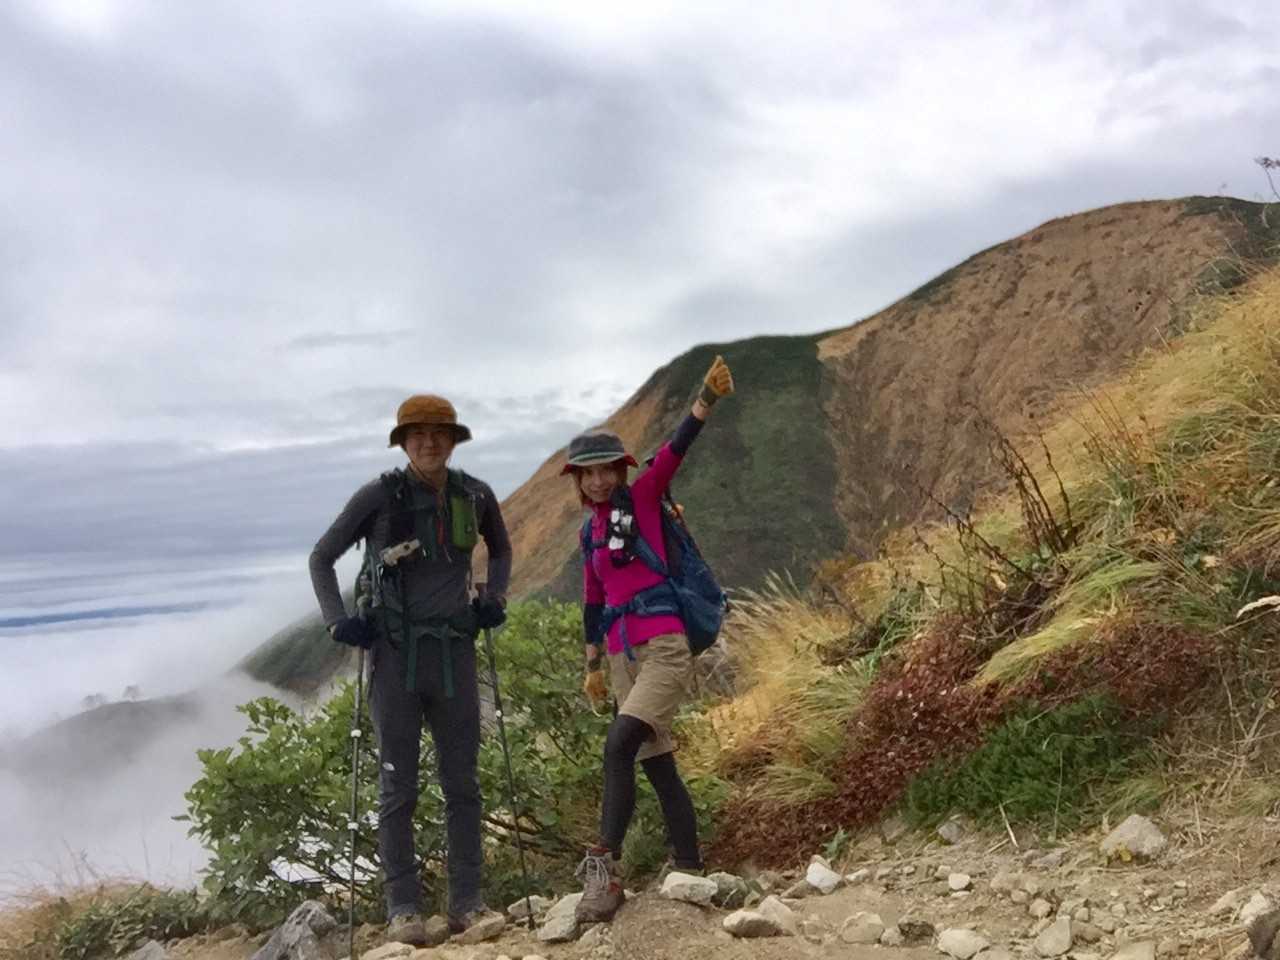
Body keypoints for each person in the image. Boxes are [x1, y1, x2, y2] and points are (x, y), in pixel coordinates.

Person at [309, 394, 512, 946]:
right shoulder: (379, 496)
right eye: (417, 434)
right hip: (395, 657)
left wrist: (494, 597)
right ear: (403, 442)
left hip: (454, 654)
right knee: (398, 789)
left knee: (462, 783)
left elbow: (501, 549)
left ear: (453, 440)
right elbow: (321, 557)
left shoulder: (476, 494)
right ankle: (403, 910)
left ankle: (467, 904)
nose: (429, 442)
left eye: (438, 433)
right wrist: (337, 621)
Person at [563, 355, 735, 923]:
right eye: (587, 473)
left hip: (663, 646)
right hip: (622, 657)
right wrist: (592, 663)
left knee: (619, 745)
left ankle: (604, 870)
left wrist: (705, 399)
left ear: (621, 470)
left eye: (606, 470)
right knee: (658, 766)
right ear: (577, 480)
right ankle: (690, 864)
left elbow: (673, 451)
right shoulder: (590, 532)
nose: (597, 480)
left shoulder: (641, 498)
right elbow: (593, 597)